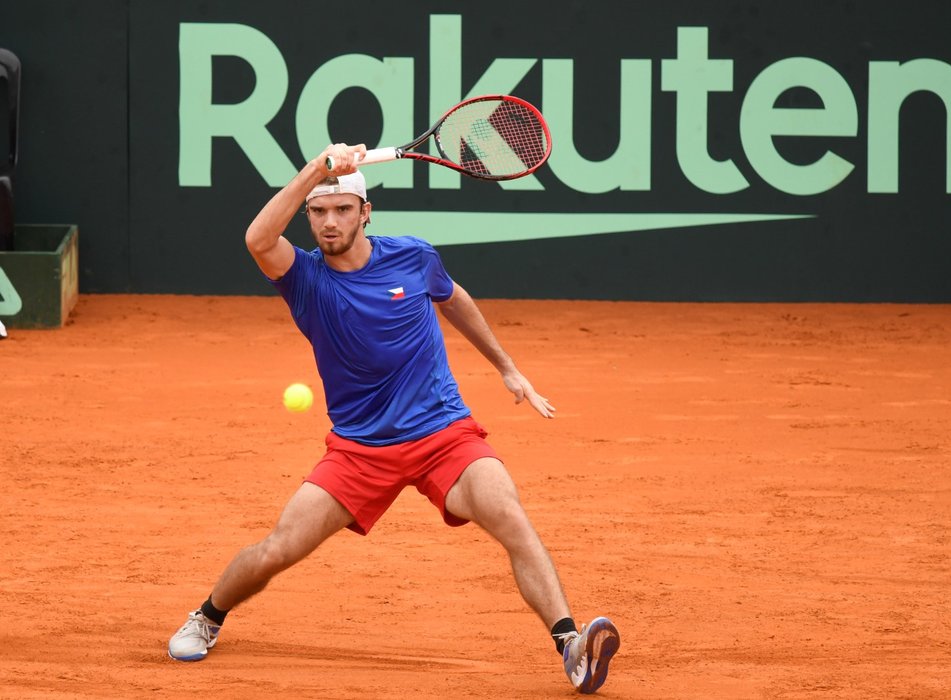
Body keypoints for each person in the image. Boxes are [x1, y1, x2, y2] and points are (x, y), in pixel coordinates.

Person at [167, 143, 620, 694]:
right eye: (318, 212)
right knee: (278, 549)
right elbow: (257, 239)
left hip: (443, 434)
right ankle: (209, 615)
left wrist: (507, 366)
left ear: (366, 212)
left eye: (340, 209)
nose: (328, 222)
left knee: (509, 515)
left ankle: (570, 645)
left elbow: (453, 299)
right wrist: (318, 169)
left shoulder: (413, 256)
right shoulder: (305, 279)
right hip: (360, 449)